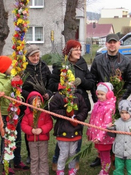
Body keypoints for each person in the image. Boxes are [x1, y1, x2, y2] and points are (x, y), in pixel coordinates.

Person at [48, 39, 95, 171]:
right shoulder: (60, 65)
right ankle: (57, 160)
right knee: (63, 133)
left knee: (77, 132)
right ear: (69, 51)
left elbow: (91, 82)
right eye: (76, 49)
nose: (79, 52)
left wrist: (81, 81)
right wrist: (61, 86)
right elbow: (51, 84)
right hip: (64, 104)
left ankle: (75, 160)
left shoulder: (82, 63)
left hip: (79, 104)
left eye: (80, 49)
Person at [90, 33, 131, 167]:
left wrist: (122, 98)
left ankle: (115, 155)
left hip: (118, 102)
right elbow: (92, 79)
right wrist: (96, 96)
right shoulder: (98, 60)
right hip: (102, 102)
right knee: (100, 127)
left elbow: (130, 81)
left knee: (115, 129)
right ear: (106, 44)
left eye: (114, 42)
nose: (112, 45)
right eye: (110, 42)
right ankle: (101, 155)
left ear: (119, 43)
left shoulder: (126, 61)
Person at [0, 56, 29, 174]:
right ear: (3, 68)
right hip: (4, 114)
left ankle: (17, 161)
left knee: (16, 137)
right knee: (7, 139)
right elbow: (1, 91)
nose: (12, 68)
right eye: (10, 66)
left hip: (14, 112)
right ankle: (6, 165)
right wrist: (11, 80)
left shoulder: (8, 76)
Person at [49, 77, 88, 175]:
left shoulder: (78, 96)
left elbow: (84, 109)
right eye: (67, 82)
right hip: (63, 130)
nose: (70, 85)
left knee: (72, 153)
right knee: (63, 153)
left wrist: (77, 118)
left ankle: (72, 168)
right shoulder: (58, 96)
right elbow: (53, 110)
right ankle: (60, 169)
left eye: (72, 83)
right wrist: (65, 113)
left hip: (75, 129)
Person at [21, 45, 52, 165]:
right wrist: (31, 96)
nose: (35, 58)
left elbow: (50, 82)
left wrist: (48, 93)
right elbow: (20, 86)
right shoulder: (23, 67)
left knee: (43, 124)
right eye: (33, 56)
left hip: (42, 102)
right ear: (28, 57)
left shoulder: (43, 66)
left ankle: (42, 150)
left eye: (37, 55)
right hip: (28, 101)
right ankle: (31, 153)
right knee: (30, 126)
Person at [86, 82, 116, 175]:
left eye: (102, 94)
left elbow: (106, 124)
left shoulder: (110, 107)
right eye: (98, 94)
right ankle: (103, 168)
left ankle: (105, 171)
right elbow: (92, 120)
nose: (99, 96)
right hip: (97, 136)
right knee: (101, 154)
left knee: (105, 155)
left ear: (109, 94)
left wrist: (99, 137)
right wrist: (90, 132)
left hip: (104, 138)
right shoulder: (97, 105)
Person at [21, 91, 53, 175]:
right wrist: (31, 130)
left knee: (43, 158)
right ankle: (34, 173)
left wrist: (42, 129)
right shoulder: (27, 114)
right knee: (34, 158)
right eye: (34, 101)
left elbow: (49, 123)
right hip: (32, 141)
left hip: (43, 140)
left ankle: (43, 173)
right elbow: (24, 125)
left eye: (39, 101)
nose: (37, 103)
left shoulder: (45, 113)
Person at [110, 100, 131, 175]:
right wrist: (109, 128)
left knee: (130, 169)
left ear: (130, 112)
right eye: (122, 113)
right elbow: (112, 134)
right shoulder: (117, 123)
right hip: (119, 150)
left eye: (126, 112)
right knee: (118, 169)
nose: (124, 115)